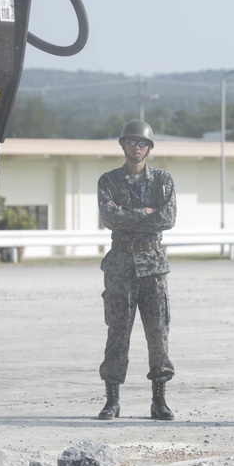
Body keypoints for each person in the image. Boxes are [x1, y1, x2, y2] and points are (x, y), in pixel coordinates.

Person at [96, 119, 177, 421]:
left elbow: (167, 218)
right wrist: (144, 214)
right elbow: (109, 216)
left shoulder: (163, 180)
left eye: (141, 142)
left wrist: (129, 215)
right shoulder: (108, 180)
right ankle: (112, 401)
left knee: (158, 334)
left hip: (153, 267)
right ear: (122, 146)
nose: (136, 146)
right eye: (130, 141)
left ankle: (160, 401)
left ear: (149, 148)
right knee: (117, 333)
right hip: (120, 266)